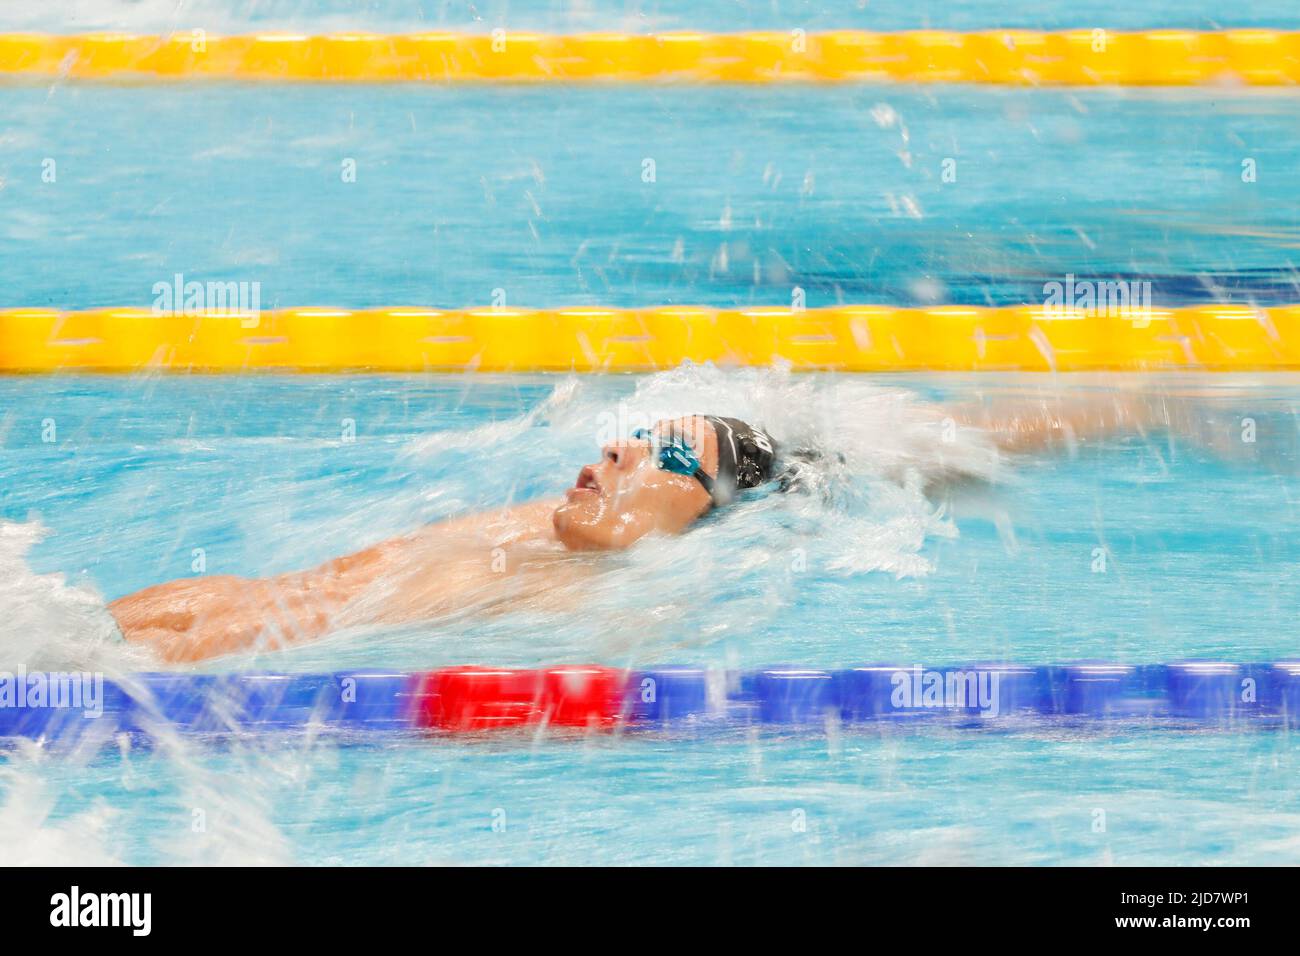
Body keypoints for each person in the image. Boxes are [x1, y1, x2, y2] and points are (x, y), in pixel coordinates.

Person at [108, 394, 1195, 663]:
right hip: (152, 621)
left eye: (667, 460)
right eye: (632, 439)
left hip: (185, 666)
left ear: (700, 520)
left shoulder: (600, 597)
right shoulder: (527, 521)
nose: (619, 455)